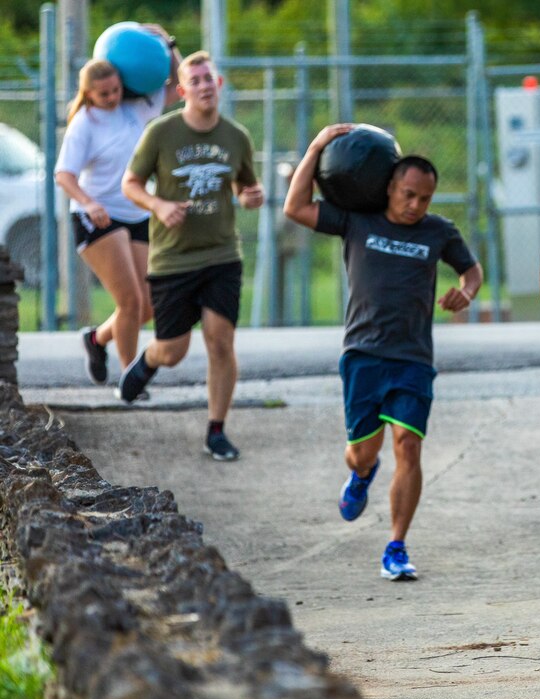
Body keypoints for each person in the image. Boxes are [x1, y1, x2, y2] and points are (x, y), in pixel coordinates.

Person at [284, 123, 483, 582]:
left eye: (424, 198)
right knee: (363, 452)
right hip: (362, 355)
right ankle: (359, 474)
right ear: (389, 186)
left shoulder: (438, 231)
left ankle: (396, 545)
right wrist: (316, 146)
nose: (415, 205)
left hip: (413, 358)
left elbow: (471, 271)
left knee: (408, 446)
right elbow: (295, 207)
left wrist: (466, 292)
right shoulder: (358, 220)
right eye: (408, 194)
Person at [120, 51, 264, 461]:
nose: (203, 86)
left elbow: (242, 189)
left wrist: (251, 197)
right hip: (172, 258)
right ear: (182, 91)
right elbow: (130, 184)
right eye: (194, 80)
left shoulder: (237, 137)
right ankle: (148, 359)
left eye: (208, 78)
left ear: (218, 85)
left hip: (221, 255)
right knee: (174, 350)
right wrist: (158, 205)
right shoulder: (161, 133)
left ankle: (216, 430)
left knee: (221, 343)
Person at [54, 25, 181, 387]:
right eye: (104, 93)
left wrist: (169, 45)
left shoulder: (137, 106)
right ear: (89, 94)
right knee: (128, 302)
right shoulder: (85, 122)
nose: (112, 97)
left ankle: (96, 340)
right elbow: (64, 175)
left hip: (136, 212)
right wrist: (88, 203)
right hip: (98, 217)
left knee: (147, 306)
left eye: (115, 90)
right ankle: (131, 380)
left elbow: (177, 87)